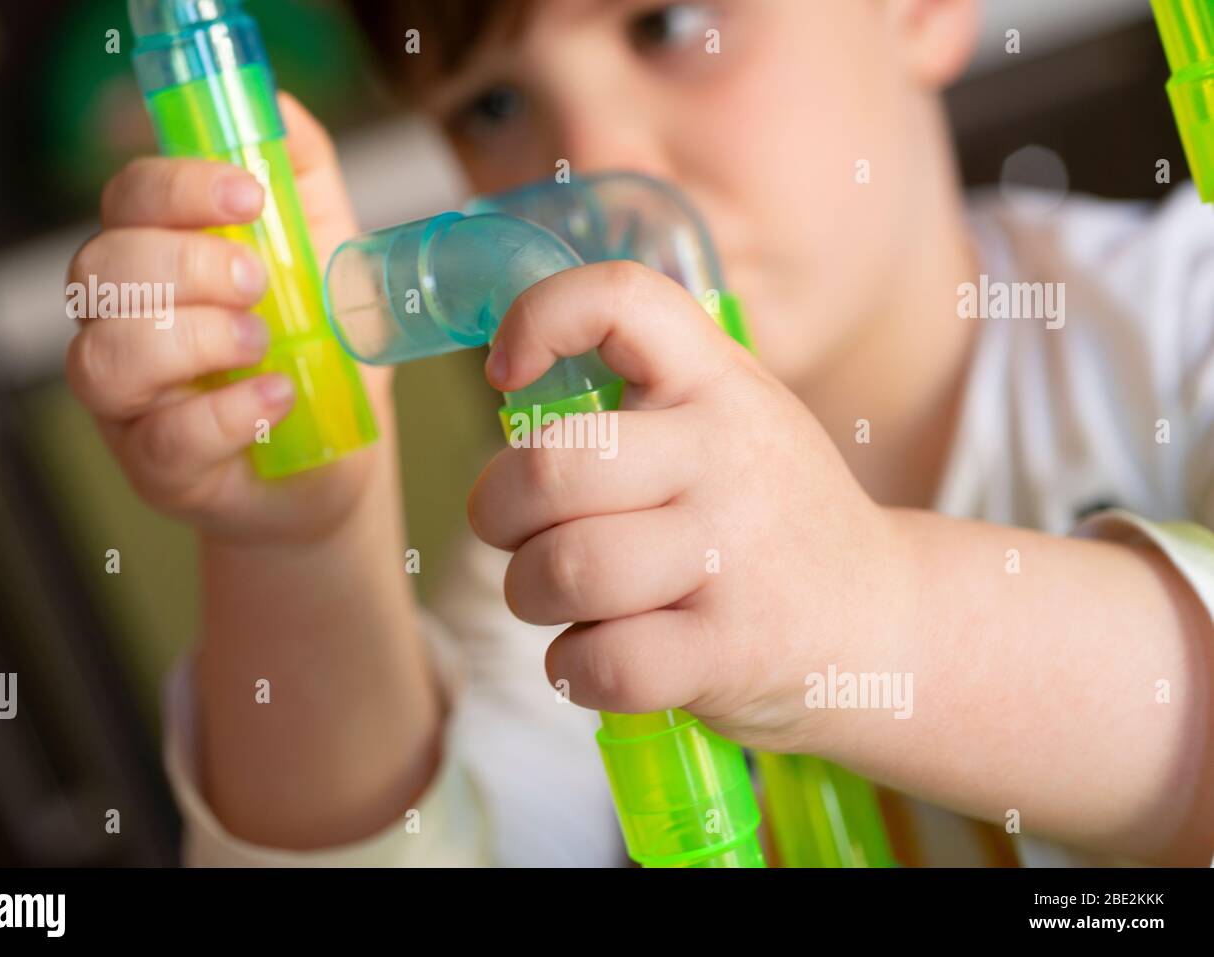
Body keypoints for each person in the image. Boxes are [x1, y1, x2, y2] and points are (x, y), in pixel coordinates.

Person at [66, 0, 1214, 866]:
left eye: (669, 24)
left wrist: (874, 616)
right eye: (495, 107)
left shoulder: (1183, 323)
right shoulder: (578, 537)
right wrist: (307, 548)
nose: (590, 165)